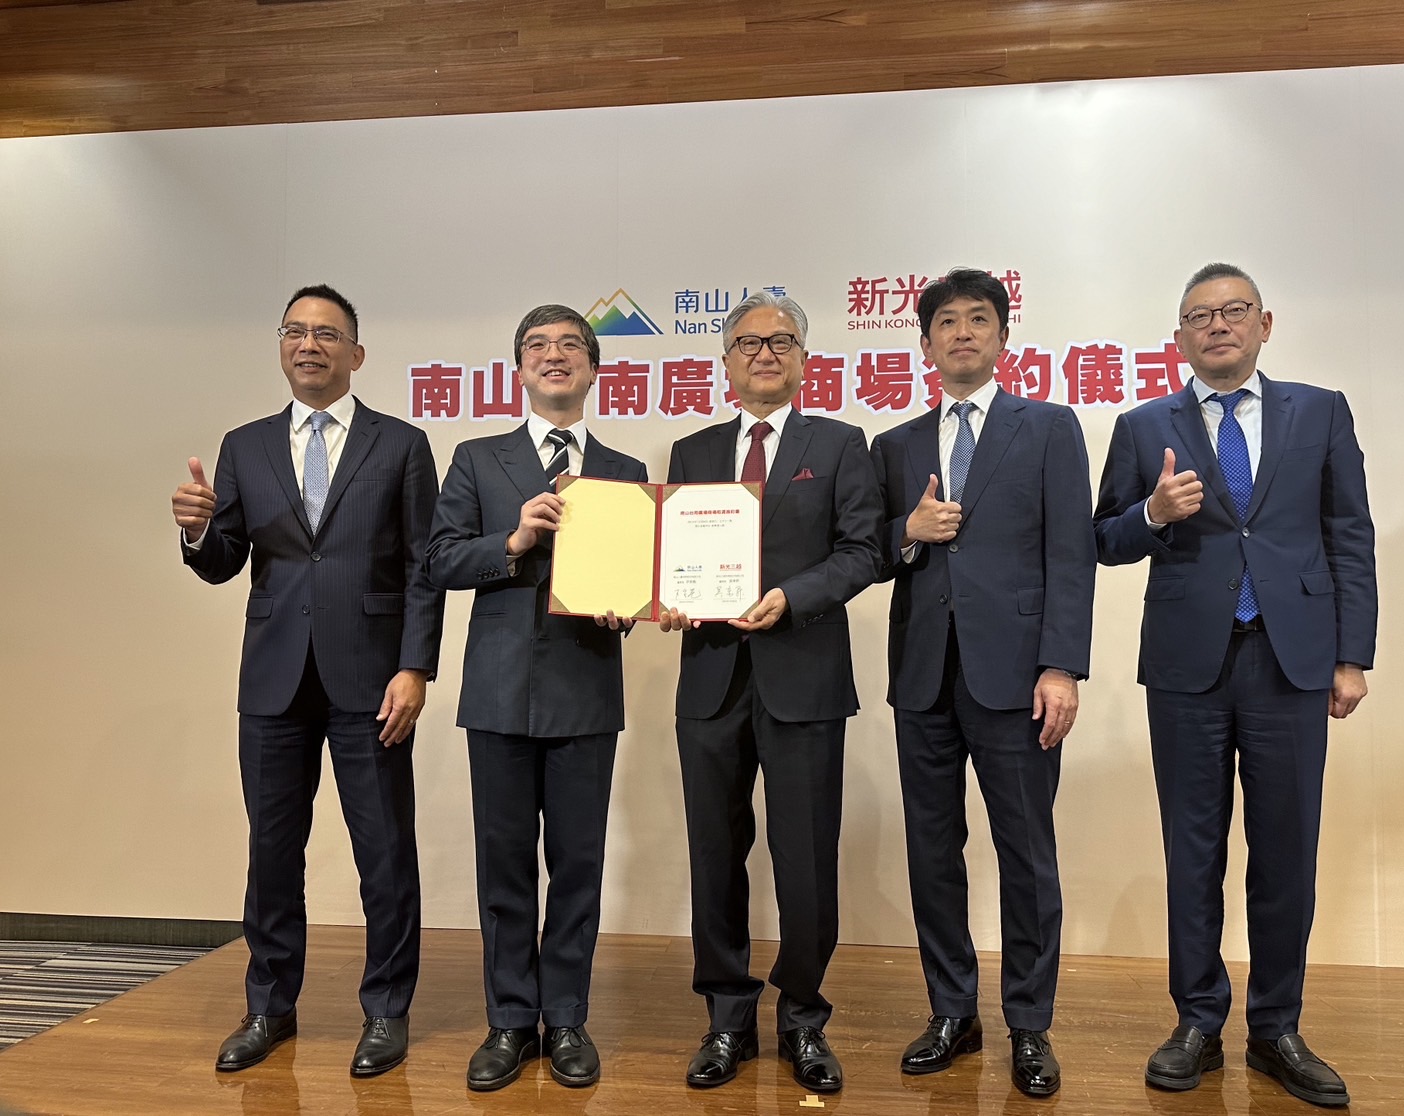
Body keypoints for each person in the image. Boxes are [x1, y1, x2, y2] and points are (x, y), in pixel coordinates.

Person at [1094, 263, 1376, 1108]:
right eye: (1199, 316)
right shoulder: (1143, 425)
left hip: (1292, 660)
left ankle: (1278, 1027)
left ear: (1264, 324)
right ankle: (1196, 1023)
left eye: (1233, 311)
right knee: (1194, 850)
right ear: (1179, 337)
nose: (1217, 325)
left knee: (1287, 851)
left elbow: (1349, 534)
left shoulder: (1320, 411)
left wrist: (1351, 655)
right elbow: (1102, 538)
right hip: (1188, 665)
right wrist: (1153, 514)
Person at [171, 284, 444, 1077]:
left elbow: (424, 567)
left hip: (373, 680)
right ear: (282, 347)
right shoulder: (246, 445)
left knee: (384, 853)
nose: (309, 344)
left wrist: (415, 667)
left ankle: (386, 1009)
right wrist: (197, 532)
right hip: (274, 682)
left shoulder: (401, 444)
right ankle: (269, 1006)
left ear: (356, 353)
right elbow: (224, 562)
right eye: (295, 331)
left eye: (326, 333)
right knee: (271, 853)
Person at [869, 268, 1095, 1099]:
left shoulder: (1049, 428)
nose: (961, 333)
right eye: (946, 323)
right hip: (924, 677)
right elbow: (867, 550)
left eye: (977, 319)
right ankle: (951, 1012)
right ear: (925, 343)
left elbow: (1071, 553)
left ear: (1002, 335)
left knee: (1026, 853)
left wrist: (1061, 665)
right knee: (933, 852)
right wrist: (907, 530)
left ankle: (1029, 1023)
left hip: (1019, 677)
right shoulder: (894, 445)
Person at [659, 290, 882, 1094]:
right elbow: (671, 555)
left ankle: (802, 1018)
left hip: (804, 676)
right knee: (714, 854)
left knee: (806, 858)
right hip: (711, 679)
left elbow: (863, 550)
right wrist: (664, 596)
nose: (764, 353)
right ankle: (726, 1017)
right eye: (748, 343)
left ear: (804, 360)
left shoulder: (840, 443)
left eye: (781, 341)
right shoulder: (692, 450)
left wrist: (794, 596)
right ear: (725, 362)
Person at [426, 305, 647, 1092]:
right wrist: (514, 541)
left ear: (593, 368)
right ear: (519, 369)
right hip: (497, 692)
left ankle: (568, 1018)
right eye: (537, 346)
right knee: (506, 869)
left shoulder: (624, 469)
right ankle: (511, 1022)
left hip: (586, 687)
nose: (555, 356)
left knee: (578, 866)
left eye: (570, 345)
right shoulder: (476, 458)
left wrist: (630, 605)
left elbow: (634, 576)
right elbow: (440, 559)